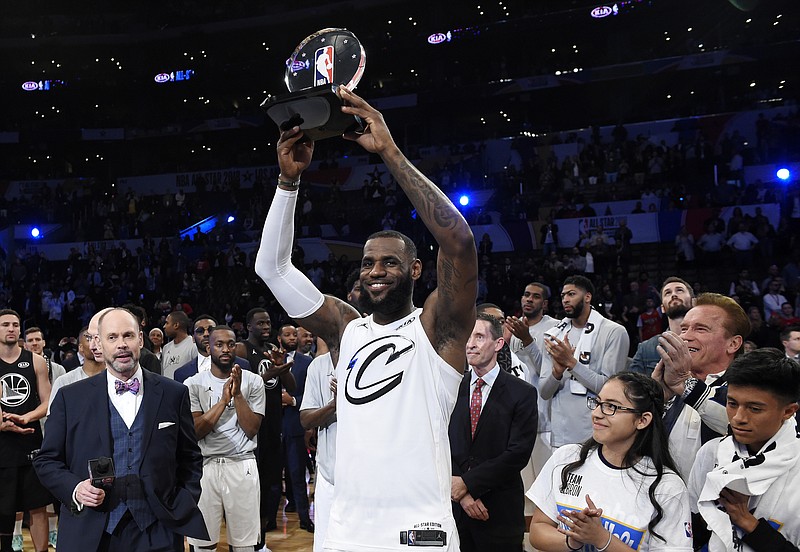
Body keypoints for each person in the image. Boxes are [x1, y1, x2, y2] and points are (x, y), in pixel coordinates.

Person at [255, 86, 478, 551]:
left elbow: (458, 243)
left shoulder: (438, 330)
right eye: (368, 262)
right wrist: (288, 183)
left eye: (389, 262)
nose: (375, 270)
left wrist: (389, 152)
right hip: (347, 527)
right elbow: (272, 269)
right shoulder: (347, 328)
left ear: (416, 270)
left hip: (418, 531)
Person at [34, 308, 208, 552]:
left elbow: (190, 458)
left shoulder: (173, 393)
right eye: (112, 337)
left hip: (159, 531)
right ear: (99, 344)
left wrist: (182, 504)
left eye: (128, 335)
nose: (122, 344)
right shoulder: (69, 397)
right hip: (90, 531)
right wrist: (76, 488)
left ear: (140, 338)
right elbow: (46, 461)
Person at [528, 372, 692, 552]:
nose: (596, 414)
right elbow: (537, 530)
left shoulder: (667, 486)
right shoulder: (567, 458)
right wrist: (573, 541)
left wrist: (602, 539)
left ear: (643, 420)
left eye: (611, 407)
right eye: (597, 403)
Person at [688, 348, 800, 551]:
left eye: (754, 408)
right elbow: (690, 532)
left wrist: (749, 523)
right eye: (732, 403)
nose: (738, 417)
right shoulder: (711, 453)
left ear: (788, 411)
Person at [449, 313, 538, 551]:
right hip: (454, 510)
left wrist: (468, 483)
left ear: (498, 344)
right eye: (468, 337)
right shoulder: (449, 387)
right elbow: (440, 442)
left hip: (499, 510)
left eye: (479, 336)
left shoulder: (523, 393)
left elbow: (517, 454)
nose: (470, 344)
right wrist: (463, 495)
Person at [185, 326, 265, 552]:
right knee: (203, 544)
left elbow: (251, 429)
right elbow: (195, 431)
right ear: (208, 347)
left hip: (242, 465)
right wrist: (222, 402)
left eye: (230, 344)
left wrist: (237, 394)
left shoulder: (254, 382)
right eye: (219, 344)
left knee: (244, 545)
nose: (225, 349)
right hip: (205, 466)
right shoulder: (192, 384)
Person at [652, 293, 749, 479]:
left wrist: (685, 384)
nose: (685, 337)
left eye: (700, 329)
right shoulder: (671, 384)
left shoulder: (751, 386)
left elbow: (740, 425)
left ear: (733, 344)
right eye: (684, 329)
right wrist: (655, 399)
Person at [299, 273, 364, 552]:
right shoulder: (318, 366)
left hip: (371, 478)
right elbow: (306, 419)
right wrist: (335, 406)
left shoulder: (386, 356)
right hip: (329, 477)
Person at [539, 276, 630, 448]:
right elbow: (544, 392)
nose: (565, 299)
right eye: (563, 295)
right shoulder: (553, 335)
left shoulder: (614, 332)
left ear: (587, 297)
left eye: (571, 294)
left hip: (600, 433)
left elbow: (610, 389)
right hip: (561, 434)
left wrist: (571, 364)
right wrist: (556, 373)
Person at [234, 307, 295, 547]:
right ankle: (248, 538)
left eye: (268, 322)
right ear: (249, 326)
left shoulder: (273, 351)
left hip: (273, 423)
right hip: (251, 424)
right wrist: (269, 373)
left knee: (271, 482)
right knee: (251, 483)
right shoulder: (242, 349)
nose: (266, 327)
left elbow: (292, 387)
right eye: (260, 323)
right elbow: (243, 388)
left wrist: (283, 367)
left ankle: (261, 537)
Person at [0, 311, 52, 552]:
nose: (11, 329)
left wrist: (27, 417)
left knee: (37, 506)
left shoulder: (36, 361)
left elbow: (47, 401)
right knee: (3, 507)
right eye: (5, 325)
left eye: (15, 325)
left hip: (31, 442)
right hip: (2, 444)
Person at [276, 324, 314, 533]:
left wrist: (292, 401)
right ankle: (269, 520)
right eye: (287, 334)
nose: (292, 337)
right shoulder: (269, 360)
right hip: (273, 426)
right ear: (279, 338)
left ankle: (304, 519)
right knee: (273, 477)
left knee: (298, 475)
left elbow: (312, 394)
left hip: (295, 424)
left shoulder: (307, 362)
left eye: (294, 334)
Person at [628, 277, 694, 376]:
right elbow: (630, 387)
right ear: (662, 308)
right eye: (668, 293)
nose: (674, 295)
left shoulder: (708, 342)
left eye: (679, 290)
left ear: (693, 302)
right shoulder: (646, 348)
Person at [173, 315, 251, 384]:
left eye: (211, 330)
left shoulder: (243, 365)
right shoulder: (181, 373)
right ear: (193, 338)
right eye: (200, 331)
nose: (206, 334)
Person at [161, 310, 197, 379]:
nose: (164, 326)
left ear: (176, 325)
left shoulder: (193, 345)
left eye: (167, 323)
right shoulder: (166, 347)